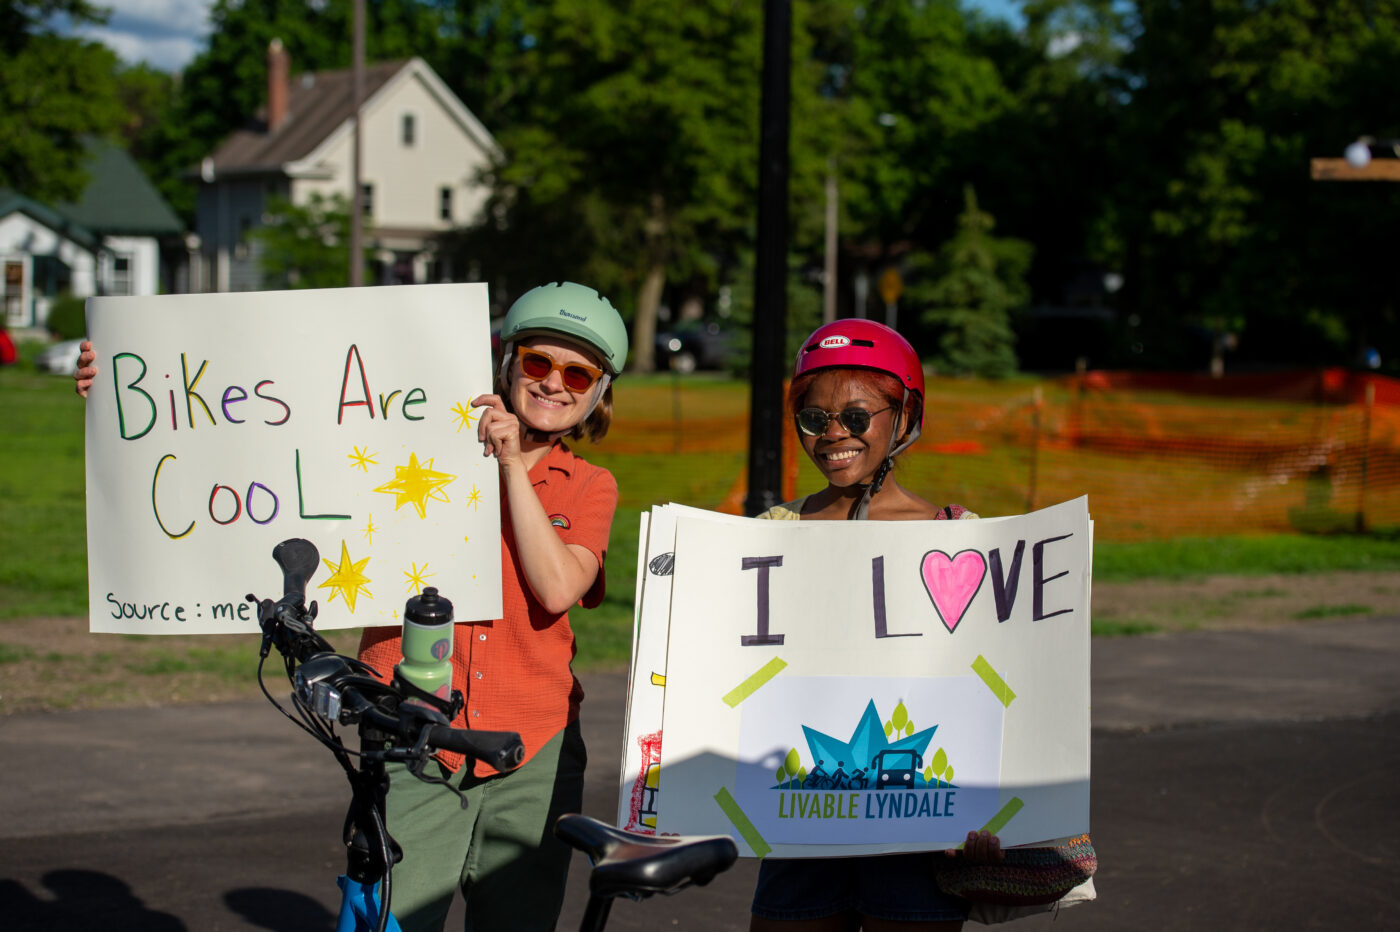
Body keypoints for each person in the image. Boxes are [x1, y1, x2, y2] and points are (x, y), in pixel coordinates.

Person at [75, 281, 628, 932]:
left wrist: (510, 466)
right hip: (414, 740)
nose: (554, 383)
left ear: (597, 392)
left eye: (578, 372)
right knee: (392, 923)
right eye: (538, 361)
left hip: (532, 752)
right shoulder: (400, 445)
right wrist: (118, 392)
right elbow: (266, 438)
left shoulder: (590, 485)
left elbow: (558, 587)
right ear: (504, 361)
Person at [750, 318, 1001, 932]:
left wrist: (993, 804)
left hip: (918, 822)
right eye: (815, 419)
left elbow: (991, 681)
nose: (835, 434)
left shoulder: (957, 537)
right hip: (801, 807)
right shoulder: (772, 534)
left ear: (904, 416)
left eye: (858, 417)